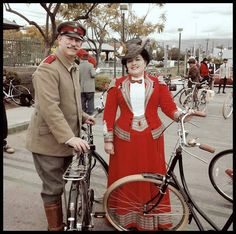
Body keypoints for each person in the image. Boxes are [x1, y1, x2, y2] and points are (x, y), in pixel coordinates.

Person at [102, 38, 184, 231]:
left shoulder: (158, 83)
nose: (133, 63)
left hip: (152, 138)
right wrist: (108, 139)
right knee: (125, 177)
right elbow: (109, 114)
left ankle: (151, 218)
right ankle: (125, 219)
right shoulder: (117, 84)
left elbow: (168, 106)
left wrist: (180, 115)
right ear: (125, 65)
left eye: (137, 59)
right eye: (129, 61)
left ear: (145, 61)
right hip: (124, 140)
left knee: (154, 178)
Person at [25, 21, 95, 231]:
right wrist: (69, 137)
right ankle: (55, 228)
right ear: (59, 40)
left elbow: (70, 100)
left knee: (61, 184)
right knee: (53, 189)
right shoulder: (48, 68)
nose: (73, 43)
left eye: (78, 40)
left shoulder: (71, 65)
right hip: (49, 142)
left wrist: (83, 116)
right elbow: (49, 108)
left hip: (65, 139)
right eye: (69, 39)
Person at [76, 49, 97, 115]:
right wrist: (96, 72)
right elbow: (93, 74)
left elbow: (77, 77)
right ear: (87, 58)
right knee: (90, 101)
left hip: (81, 87)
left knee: (83, 101)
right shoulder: (90, 65)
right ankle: (90, 113)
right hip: (90, 87)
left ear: (81, 58)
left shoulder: (78, 66)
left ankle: (83, 113)